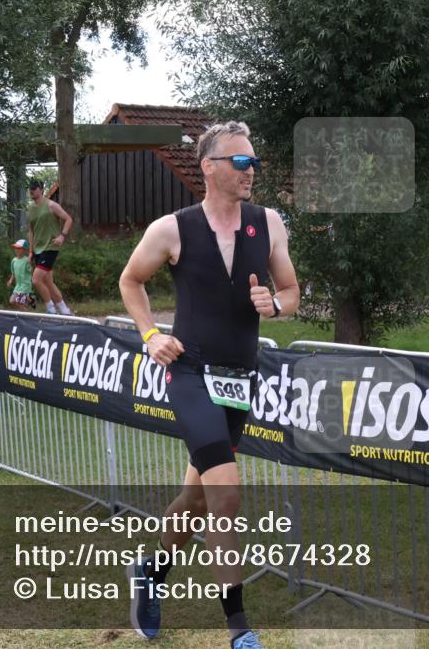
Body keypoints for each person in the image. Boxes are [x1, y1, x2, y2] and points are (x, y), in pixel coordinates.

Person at [119, 121, 299, 648]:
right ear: (210, 167)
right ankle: (239, 629)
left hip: (239, 377)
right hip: (190, 371)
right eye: (241, 162)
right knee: (227, 494)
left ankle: (150, 570)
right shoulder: (171, 228)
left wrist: (277, 305)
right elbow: (131, 281)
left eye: (254, 163)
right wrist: (151, 334)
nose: (251, 172)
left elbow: (290, 291)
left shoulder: (268, 224)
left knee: (195, 499)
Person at [26, 178, 74, 315]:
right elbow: (31, 230)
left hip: (51, 247)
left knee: (36, 280)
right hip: (37, 249)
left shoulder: (51, 205)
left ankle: (50, 309)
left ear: (41, 190)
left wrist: (62, 236)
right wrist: (30, 251)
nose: (32, 190)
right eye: (30, 188)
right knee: (48, 282)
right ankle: (65, 310)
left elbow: (69, 219)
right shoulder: (30, 208)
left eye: (34, 188)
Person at [6, 239, 35, 311]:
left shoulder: (27, 261)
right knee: (12, 301)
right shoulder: (14, 260)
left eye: (19, 248)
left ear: (25, 250)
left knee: (19, 303)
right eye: (16, 248)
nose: (17, 250)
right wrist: (10, 280)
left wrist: (31, 262)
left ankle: (28, 316)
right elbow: (13, 273)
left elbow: (32, 271)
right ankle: (30, 300)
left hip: (25, 286)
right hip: (18, 286)